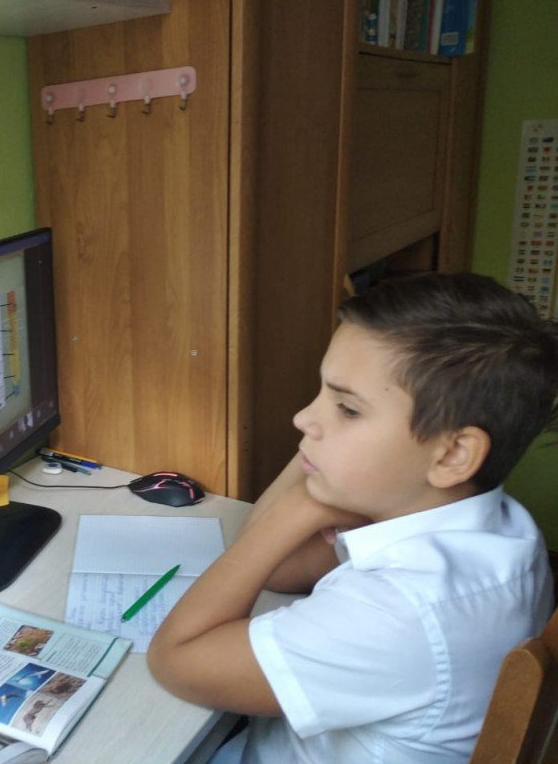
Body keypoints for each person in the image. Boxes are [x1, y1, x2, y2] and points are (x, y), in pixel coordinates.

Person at [147, 272, 558, 763]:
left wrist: (302, 506)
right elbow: (281, 570)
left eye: (347, 408)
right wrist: (320, 474)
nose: (303, 418)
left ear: (452, 456)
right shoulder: (499, 523)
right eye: (321, 391)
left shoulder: (396, 612)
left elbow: (176, 659)